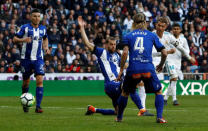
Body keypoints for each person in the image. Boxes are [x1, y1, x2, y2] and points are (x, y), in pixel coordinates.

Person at [78, 16, 153, 116]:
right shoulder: (102, 52)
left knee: (117, 112)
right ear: (106, 45)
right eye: (111, 44)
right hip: (112, 84)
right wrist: (82, 28)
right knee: (130, 87)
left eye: (114, 44)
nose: (113, 46)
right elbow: (87, 44)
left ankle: (93, 109)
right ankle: (142, 110)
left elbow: (124, 65)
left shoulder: (118, 55)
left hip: (114, 86)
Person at [116, 12, 168, 123]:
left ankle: (119, 118)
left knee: (125, 92)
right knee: (158, 91)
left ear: (134, 23)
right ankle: (159, 117)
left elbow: (124, 53)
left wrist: (121, 70)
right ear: (145, 22)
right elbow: (164, 52)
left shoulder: (128, 35)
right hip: (148, 69)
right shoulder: (152, 35)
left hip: (133, 68)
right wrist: (161, 64)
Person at [13, 9, 49, 113]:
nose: (37, 18)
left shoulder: (43, 28)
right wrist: (23, 40)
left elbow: (45, 38)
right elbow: (14, 39)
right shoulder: (24, 28)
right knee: (26, 83)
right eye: (34, 16)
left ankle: (38, 106)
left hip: (38, 59)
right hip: (26, 59)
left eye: (38, 16)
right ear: (30, 17)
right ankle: (25, 104)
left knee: (40, 80)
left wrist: (46, 47)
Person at [153, 17, 195, 106]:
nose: (160, 28)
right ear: (156, 25)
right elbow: (152, 54)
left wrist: (189, 57)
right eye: (159, 25)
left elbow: (180, 47)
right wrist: (167, 52)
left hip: (168, 60)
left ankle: (168, 99)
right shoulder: (151, 35)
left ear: (165, 27)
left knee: (174, 78)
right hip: (155, 60)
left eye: (162, 26)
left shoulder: (169, 36)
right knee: (147, 79)